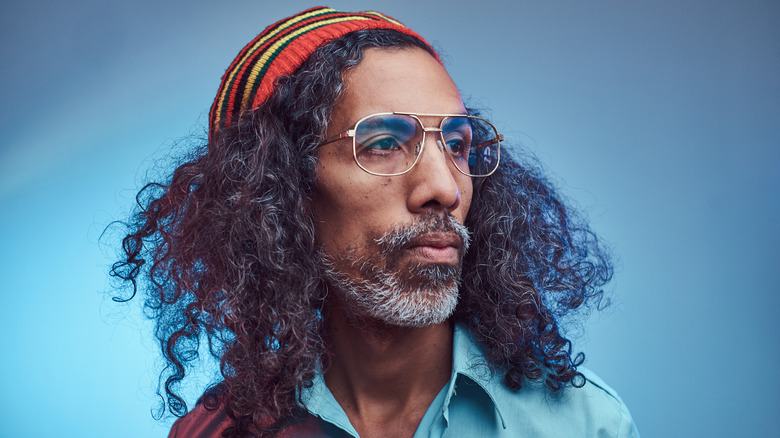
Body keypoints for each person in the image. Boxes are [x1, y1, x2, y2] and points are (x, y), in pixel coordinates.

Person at [112, 6, 639, 438]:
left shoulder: (584, 425)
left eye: (456, 145)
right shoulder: (216, 433)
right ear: (280, 193)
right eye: (384, 143)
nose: (446, 188)